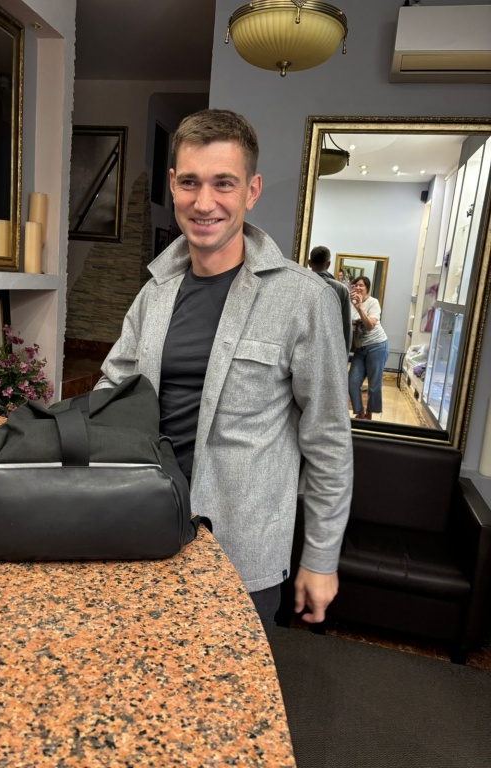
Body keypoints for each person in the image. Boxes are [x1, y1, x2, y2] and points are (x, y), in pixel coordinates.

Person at [95, 109, 353, 639]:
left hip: (241, 551)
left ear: (251, 190)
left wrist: (321, 557)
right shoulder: (154, 293)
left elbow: (327, 437)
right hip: (142, 529)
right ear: (173, 185)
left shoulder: (304, 300)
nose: (204, 201)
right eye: (190, 182)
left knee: (227, 691)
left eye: (224, 183)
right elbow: (109, 392)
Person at [348, 276, 389, 420]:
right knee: (352, 382)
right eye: (355, 285)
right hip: (360, 349)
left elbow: (370, 325)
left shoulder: (373, 302)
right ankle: (359, 412)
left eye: (361, 285)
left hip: (377, 346)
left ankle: (369, 415)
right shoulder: (349, 303)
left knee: (374, 384)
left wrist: (359, 308)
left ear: (367, 288)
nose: (358, 288)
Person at [308, 246, 352, 356]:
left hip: (303, 345)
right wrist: (344, 356)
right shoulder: (341, 289)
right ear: (328, 264)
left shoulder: (301, 284)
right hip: (329, 348)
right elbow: (346, 326)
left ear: (309, 263)